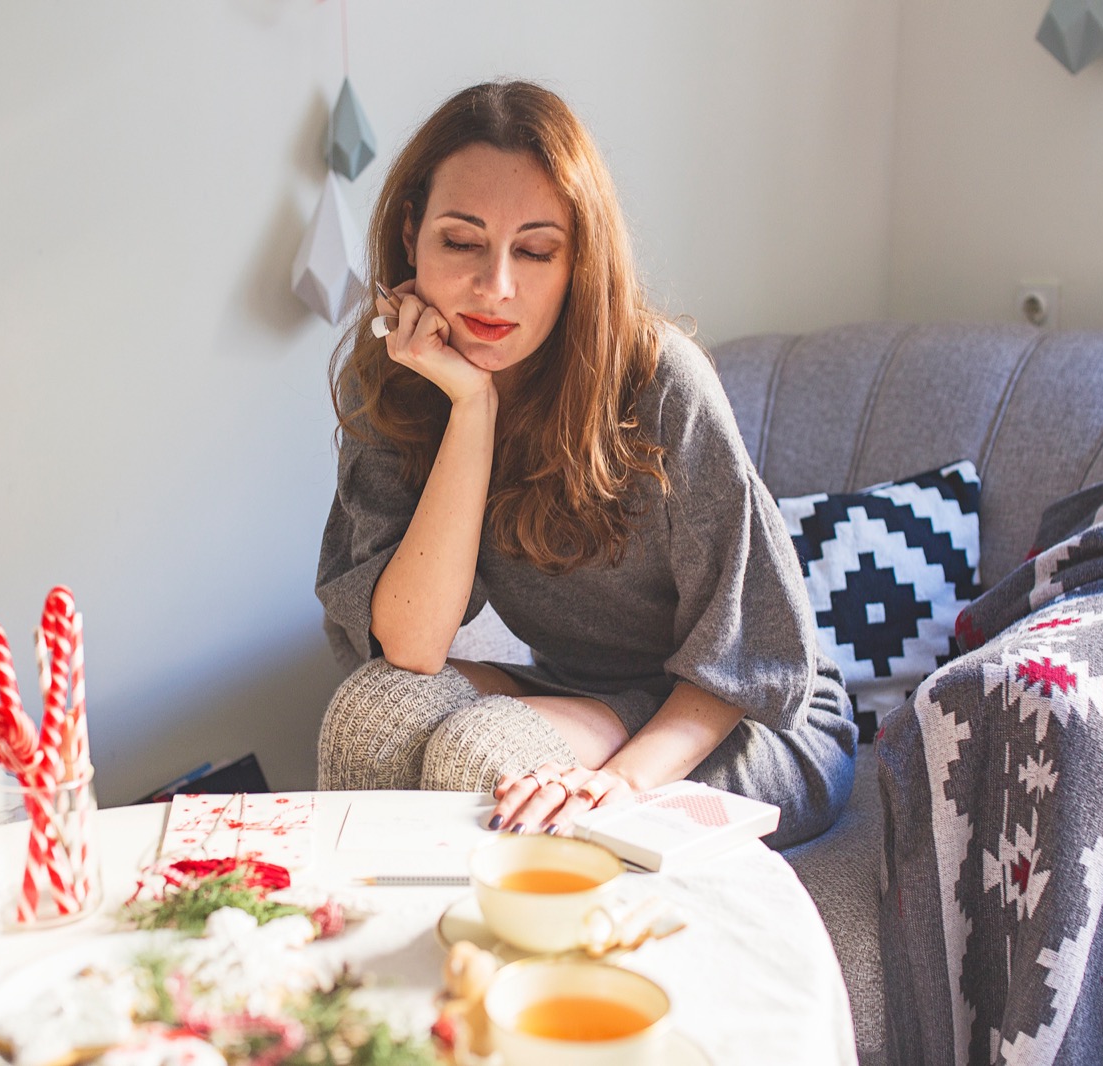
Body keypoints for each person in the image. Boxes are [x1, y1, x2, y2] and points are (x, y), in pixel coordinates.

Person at [314, 80, 856, 848]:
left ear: (578, 260)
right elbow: (413, 643)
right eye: (461, 242)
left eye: (536, 251)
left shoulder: (661, 382)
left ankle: (501, 931)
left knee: (481, 758)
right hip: (581, 690)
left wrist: (622, 783)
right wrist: (472, 410)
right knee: (371, 716)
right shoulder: (398, 383)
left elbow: (747, 653)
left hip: (743, 721)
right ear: (411, 234)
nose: (496, 287)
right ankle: (371, 928)